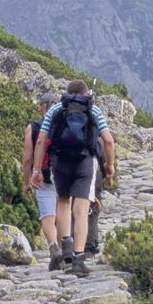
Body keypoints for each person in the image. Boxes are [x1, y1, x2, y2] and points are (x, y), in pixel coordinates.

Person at [30, 81, 116, 275]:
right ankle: (78, 259)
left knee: (62, 202)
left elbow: (42, 140)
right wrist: (109, 167)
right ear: (86, 93)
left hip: (59, 161)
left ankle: (65, 244)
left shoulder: (55, 110)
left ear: (67, 93)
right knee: (81, 209)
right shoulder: (93, 110)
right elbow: (108, 141)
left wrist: (36, 170)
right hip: (85, 161)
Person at [21, 93, 62, 268]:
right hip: (64, 174)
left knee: (47, 215)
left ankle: (54, 247)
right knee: (64, 213)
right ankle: (65, 251)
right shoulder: (65, 124)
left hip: (43, 175)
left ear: (41, 107)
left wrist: (26, 181)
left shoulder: (33, 127)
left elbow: (27, 158)